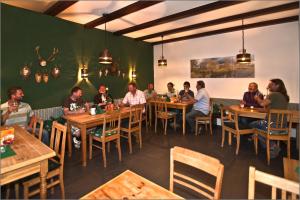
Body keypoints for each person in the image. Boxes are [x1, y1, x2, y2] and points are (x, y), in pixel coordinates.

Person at [249, 78, 290, 158]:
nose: (269, 86)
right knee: (256, 128)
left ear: (277, 85)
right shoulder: (284, 96)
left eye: (271, 84)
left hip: (271, 125)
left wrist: (257, 98)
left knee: (252, 125)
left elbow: (262, 103)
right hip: (282, 126)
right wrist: (258, 109)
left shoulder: (274, 94)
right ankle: (263, 141)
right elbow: (269, 110)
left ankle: (272, 146)